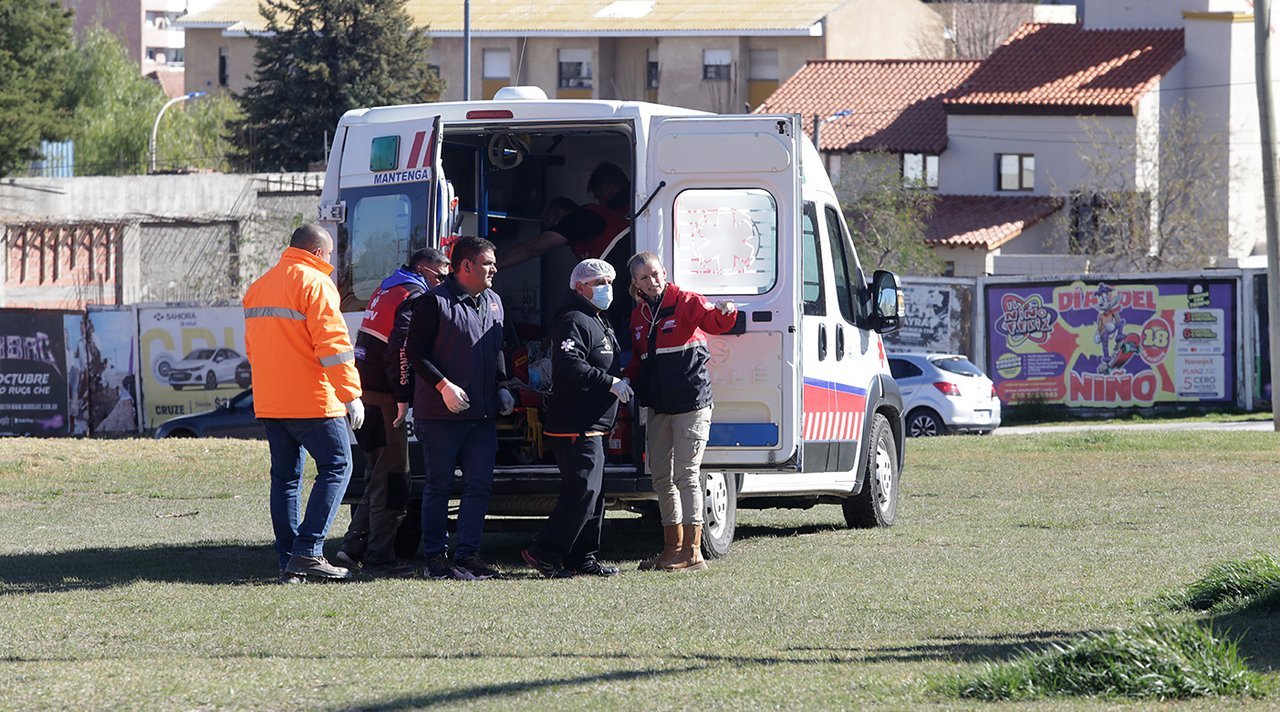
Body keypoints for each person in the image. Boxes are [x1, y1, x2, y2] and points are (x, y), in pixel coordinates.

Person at [243, 223, 364, 583]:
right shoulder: (315, 283)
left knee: (285, 480)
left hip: (271, 401)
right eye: (327, 256)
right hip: (313, 400)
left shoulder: (259, 286)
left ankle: (288, 560)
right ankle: (309, 551)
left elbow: (253, 350)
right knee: (338, 466)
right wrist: (351, 394)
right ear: (316, 253)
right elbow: (334, 346)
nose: (329, 262)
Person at [405, 236, 516, 580]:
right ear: (465, 265)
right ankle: (436, 558)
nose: (494, 269)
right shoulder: (432, 302)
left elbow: (496, 347)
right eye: (487, 263)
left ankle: (468, 555)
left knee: (479, 485)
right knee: (439, 485)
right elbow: (415, 353)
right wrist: (443, 386)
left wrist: (503, 386)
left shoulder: (494, 301)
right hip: (440, 415)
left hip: (481, 415)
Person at [337, 248, 449, 576]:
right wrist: (403, 396)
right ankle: (380, 558)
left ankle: (352, 548)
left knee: (377, 476)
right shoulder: (412, 295)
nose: (442, 283)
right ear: (423, 270)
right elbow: (400, 350)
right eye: (440, 276)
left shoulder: (387, 287)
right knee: (394, 480)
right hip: (384, 399)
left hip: (366, 392)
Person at [625, 251, 737, 573]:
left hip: (692, 403)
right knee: (661, 477)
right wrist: (621, 380)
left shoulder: (685, 301)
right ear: (635, 283)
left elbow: (715, 322)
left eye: (657, 274)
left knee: (686, 476)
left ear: (665, 272)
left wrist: (726, 312)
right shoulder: (639, 315)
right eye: (645, 277)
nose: (653, 281)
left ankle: (693, 553)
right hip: (659, 405)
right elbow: (638, 361)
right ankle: (671, 549)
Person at [520, 259, 632, 578]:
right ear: (579, 287)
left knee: (593, 495)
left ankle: (583, 557)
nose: (606, 288)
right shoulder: (573, 319)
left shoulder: (598, 319)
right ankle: (544, 553)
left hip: (595, 423)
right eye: (599, 282)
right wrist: (609, 382)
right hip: (575, 424)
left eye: (609, 281)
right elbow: (569, 364)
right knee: (581, 492)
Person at [497, 162, 631, 268]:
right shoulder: (615, 215)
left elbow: (533, 248)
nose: (553, 230)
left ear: (559, 215)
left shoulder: (582, 218)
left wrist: (493, 266)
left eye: (552, 227)